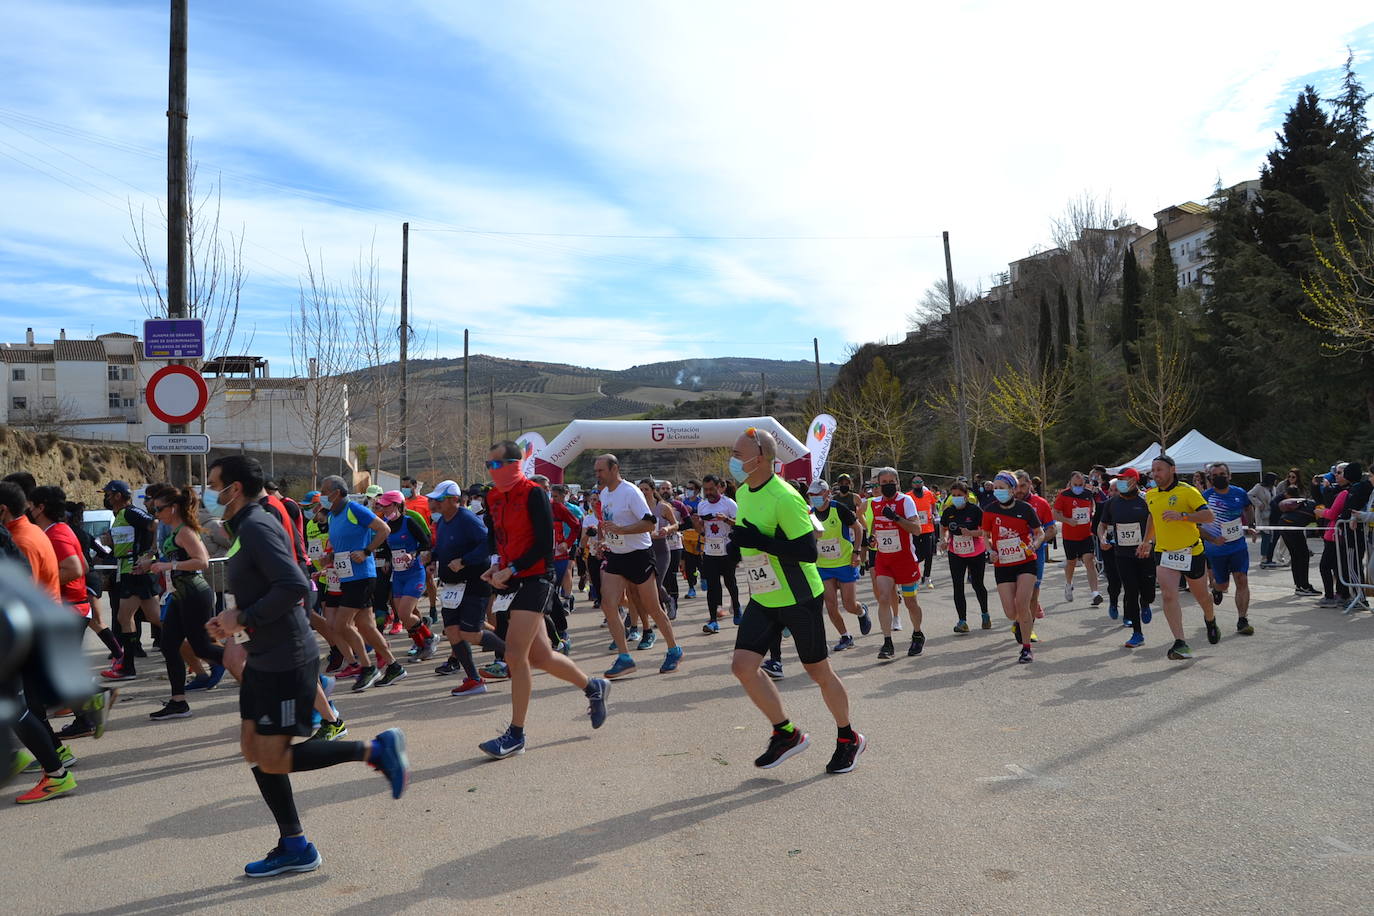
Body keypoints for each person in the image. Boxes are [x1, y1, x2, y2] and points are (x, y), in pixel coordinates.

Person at [205, 455, 409, 878]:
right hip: (263, 653)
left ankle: (374, 751)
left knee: (273, 757)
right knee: (252, 748)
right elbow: (266, 583)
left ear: (235, 488)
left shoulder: (258, 525)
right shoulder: (248, 524)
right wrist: (233, 626)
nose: (210, 493)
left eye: (214, 485)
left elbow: (294, 583)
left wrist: (240, 619)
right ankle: (294, 843)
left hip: (284, 657)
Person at [725, 427, 864, 775]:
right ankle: (786, 733)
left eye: (738, 454)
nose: (734, 460)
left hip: (799, 594)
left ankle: (849, 738)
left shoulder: (784, 497)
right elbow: (750, 540)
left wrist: (759, 539)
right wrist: (739, 546)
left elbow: (806, 551)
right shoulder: (744, 492)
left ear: (760, 458)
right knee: (742, 666)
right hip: (765, 593)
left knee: (818, 671)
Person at [475, 442, 611, 759]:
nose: (491, 470)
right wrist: (495, 565)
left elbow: (543, 544)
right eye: (488, 465)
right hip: (509, 578)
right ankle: (594, 687)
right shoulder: (493, 496)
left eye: (496, 464)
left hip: (536, 577)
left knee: (514, 653)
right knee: (541, 657)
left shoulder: (534, 493)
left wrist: (512, 568)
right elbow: (496, 536)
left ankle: (516, 734)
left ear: (514, 464)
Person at [595, 454, 683, 678]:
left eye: (600, 471)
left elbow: (649, 523)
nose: (597, 475)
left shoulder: (630, 492)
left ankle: (674, 649)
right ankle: (625, 658)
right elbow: (610, 524)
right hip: (616, 555)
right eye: (596, 471)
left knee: (652, 607)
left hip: (639, 556)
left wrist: (621, 531)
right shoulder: (604, 494)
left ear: (615, 469)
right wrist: (605, 541)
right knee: (608, 603)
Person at [141, 486, 224, 720]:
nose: (156, 512)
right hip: (180, 593)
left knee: (201, 647)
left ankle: (249, 664)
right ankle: (178, 702)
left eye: (159, 508)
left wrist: (169, 566)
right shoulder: (175, 530)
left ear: (173, 507)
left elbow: (202, 561)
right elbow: (176, 558)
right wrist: (152, 564)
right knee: (169, 645)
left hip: (194, 593)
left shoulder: (185, 531)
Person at [318, 475, 404, 691]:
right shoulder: (332, 516)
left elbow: (384, 529)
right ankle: (394, 666)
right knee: (366, 626)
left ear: (336, 492)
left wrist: (366, 551)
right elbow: (341, 545)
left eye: (324, 491)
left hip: (362, 576)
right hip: (347, 577)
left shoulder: (354, 509)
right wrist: (330, 558)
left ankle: (366, 667)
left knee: (341, 624)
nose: (322, 496)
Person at [427, 480, 502, 694]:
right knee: (452, 631)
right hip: (452, 586)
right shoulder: (442, 522)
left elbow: (487, 545)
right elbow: (442, 547)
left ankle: (513, 652)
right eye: (435, 499)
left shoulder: (467, 519)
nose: (436, 503)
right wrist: (431, 557)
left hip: (473, 583)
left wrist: (465, 561)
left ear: (454, 500)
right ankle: (474, 680)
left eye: (440, 499)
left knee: (470, 632)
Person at [1142, 454, 1220, 661]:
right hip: (1165, 553)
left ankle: (1210, 619)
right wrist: (1146, 541)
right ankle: (1180, 642)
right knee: (1168, 596)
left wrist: (1183, 517)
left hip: (1191, 552)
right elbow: (1153, 516)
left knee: (1202, 597)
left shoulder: (1188, 491)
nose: (1155, 474)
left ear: (1172, 470)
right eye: (1153, 470)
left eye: (1159, 469)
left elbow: (1208, 516)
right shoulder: (1150, 494)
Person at [977, 471, 1045, 663]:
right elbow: (985, 535)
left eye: (1002, 488)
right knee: (1010, 612)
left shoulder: (1025, 509)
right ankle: (1019, 622)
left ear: (1012, 489)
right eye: (996, 488)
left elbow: (1039, 533)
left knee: (1023, 605)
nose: (998, 491)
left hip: (1026, 561)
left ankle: (1026, 648)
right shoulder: (990, 510)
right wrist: (990, 550)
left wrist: (1036, 544)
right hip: (1003, 563)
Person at [99, 480, 160, 679]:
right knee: (131, 618)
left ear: (118, 495)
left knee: (147, 618)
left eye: (108, 494)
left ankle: (194, 649)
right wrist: (111, 543)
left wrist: (150, 553)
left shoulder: (130, 512)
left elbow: (155, 524)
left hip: (137, 571)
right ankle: (128, 667)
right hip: (127, 571)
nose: (106, 498)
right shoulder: (118, 516)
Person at [806, 479, 872, 651]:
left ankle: (861, 611)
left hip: (844, 562)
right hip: (823, 565)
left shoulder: (838, 509)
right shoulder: (810, 513)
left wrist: (856, 552)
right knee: (830, 605)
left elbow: (858, 529)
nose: (814, 498)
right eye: (811, 495)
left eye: (817, 494)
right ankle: (845, 636)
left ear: (827, 494)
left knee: (849, 605)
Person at [868, 467, 925, 660]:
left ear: (897, 483)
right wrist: (873, 537)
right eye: (883, 483)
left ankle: (917, 633)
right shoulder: (874, 503)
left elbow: (917, 529)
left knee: (910, 602)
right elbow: (876, 524)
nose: (886, 486)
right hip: (884, 560)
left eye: (890, 482)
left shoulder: (905, 501)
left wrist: (896, 518)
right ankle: (887, 643)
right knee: (883, 597)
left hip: (905, 561)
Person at [373, 491, 436, 660]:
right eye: (382, 505)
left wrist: (413, 554)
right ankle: (424, 644)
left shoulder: (409, 522)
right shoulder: (385, 524)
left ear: (397, 505)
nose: (383, 509)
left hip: (414, 573)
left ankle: (429, 638)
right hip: (398, 575)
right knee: (402, 615)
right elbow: (386, 547)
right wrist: (387, 560)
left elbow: (426, 542)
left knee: (405, 613)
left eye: (386, 505)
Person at [1098, 468, 1155, 648]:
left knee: (1148, 592)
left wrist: (1149, 542)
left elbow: (1157, 524)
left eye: (1126, 479)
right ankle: (1137, 633)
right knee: (1131, 591)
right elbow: (1102, 524)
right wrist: (1102, 538)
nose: (1122, 482)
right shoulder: (1112, 503)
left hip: (1145, 553)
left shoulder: (1147, 500)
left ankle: (1146, 603)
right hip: (1122, 554)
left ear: (1135, 481)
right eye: (1120, 479)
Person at [1200, 463, 1258, 636]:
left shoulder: (1239, 492)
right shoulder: (1206, 497)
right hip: (1216, 549)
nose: (1219, 477)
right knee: (1223, 584)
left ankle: (1242, 620)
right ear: (1210, 478)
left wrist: (1250, 525)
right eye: (1215, 474)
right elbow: (1196, 525)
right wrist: (1212, 539)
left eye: (1223, 474)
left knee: (1241, 579)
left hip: (1238, 545)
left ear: (1229, 475)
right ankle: (1217, 588)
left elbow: (1248, 507)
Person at [939, 481, 991, 632]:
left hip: (976, 551)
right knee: (958, 585)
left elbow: (984, 532)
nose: (956, 498)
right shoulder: (949, 511)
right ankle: (962, 621)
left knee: (977, 584)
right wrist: (944, 539)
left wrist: (970, 533)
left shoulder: (975, 510)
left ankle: (985, 614)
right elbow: (944, 528)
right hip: (956, 552)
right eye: (953, 495)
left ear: (966, 495)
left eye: (959, 495)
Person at [695, 474, 741, 632]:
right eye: (705, 490)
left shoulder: (729, 504)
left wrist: (726, 519)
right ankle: (713, 620)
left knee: (730, 582)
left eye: (711, 489)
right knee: (713, 586)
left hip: (727, 549)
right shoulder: (702, 505)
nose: (708, 493)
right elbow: (701, 531)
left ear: (719, 487)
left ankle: (736, 608)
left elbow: (739, 525)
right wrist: (698, 524)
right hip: (710, 551)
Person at [1052, 471, 1102, 607]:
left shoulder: (1088, 495)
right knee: (1071, 563)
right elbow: (1055, 514)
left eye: (1081, 484)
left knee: (1089, 561)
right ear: (1070, 483)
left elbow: (1092, 511)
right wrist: (1067, 520)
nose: (1078, 487)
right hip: (1070, 536)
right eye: (1076, 485)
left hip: (1086, 535)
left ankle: (1095, 593)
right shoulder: (1063, 495)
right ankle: (1069, 584)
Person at [1015, 470, 1056, 624]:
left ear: (1030, 485)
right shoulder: (1006, 505)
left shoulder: (1041, 503)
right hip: (1011, 555)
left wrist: (1037, 541)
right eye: (1016, 486)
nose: (1019, 490)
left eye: (1023, 486)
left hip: (1035, 554)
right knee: (1016, 593)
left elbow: (1052, 530)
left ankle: (1027, 627)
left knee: (1032, 592)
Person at [640, 478, 681, 631]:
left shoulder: (662, 507)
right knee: (650, 585)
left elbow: (676, 524)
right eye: (641, 490)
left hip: (661, 548)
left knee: (656, 583)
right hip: (644, 550)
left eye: (646, 489)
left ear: (652, 490)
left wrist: (667, 529)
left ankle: (669, 600)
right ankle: (662, 614)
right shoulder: (638, 508)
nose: (643, 492)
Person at [906, 476, 939, 585]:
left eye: (920, 482)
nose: (918, 484)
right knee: (916, 553)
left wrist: (933, 513)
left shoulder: (929, 494)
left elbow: (933, 504)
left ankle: (927, 576)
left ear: (923, 483)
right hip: (915, 529)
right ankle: (915, 573)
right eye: (915, 482)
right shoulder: (908, 496)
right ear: (912, 484)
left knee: (928, 553)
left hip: (928, 529)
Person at [1250, 472, 1279, 568]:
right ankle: (1263, 558)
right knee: (1266, 537)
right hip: (1262, 515)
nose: (1276, 481)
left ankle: (1269, 558)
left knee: (1271, 537)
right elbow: (1249, 495)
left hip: (1271, 515)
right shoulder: (1259, 487)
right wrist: (1258, 503)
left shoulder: (1273, 488)